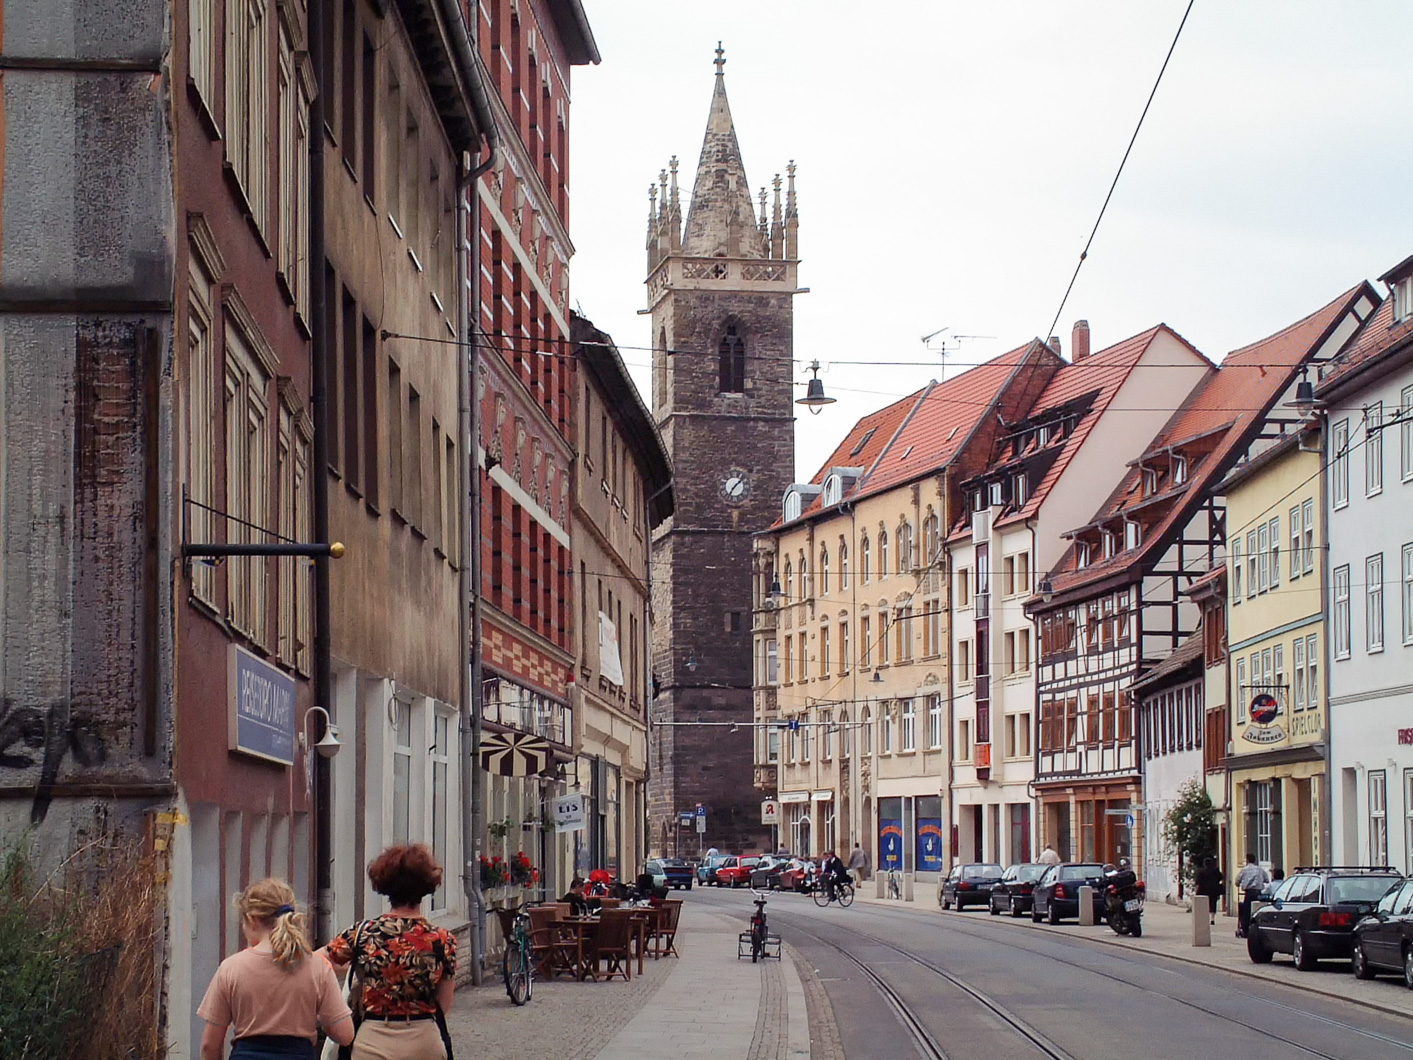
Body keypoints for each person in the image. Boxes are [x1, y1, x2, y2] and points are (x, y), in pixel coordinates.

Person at [323, 845, 457, 1059]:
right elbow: (443, 1003)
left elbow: (319, 962)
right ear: (427, 886)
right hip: (424, 1040)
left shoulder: (363, 933)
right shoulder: (442, 940)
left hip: (373, 1040)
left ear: (384, 885)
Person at [197, 878, 353, 1060]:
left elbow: (209, 1045)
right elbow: (345, 1034)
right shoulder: (317, 968)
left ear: (251, 919)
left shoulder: (231, 968)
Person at [1235, 853, 1269, 939]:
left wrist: (1240, 884)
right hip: (1258, 892)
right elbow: (1267, 880)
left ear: (1247, 860)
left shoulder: (1244, 870)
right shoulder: (1260, 869)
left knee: (1247, 911)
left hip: (1249, 892)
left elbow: (1237, 881)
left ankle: (1245, 929)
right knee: (1258, 910)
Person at [1194, 856, 1223, 925]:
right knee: (1213, 904)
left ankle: (1204, 918)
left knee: (1204, 904)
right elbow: (1221, 878)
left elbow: (1197, 882)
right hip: (1214, 889)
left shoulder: (1201, 871)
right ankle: (1212, 918)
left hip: (1203, 890)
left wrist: (1196, 891)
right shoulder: (1215, 870)